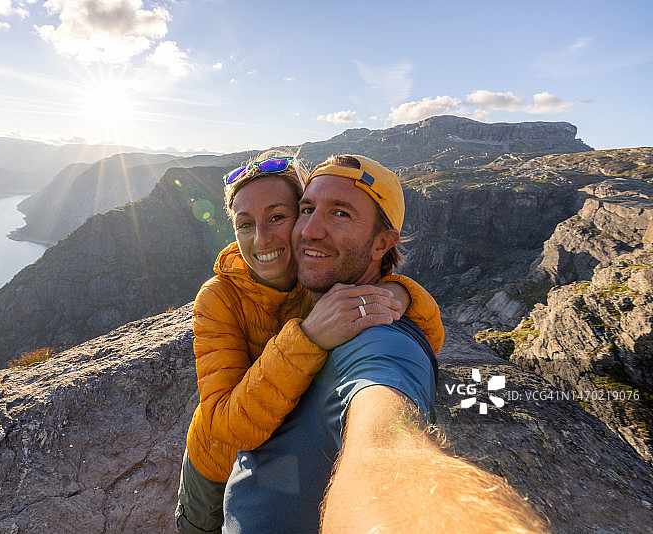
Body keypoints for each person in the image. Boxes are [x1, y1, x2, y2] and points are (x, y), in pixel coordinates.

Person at [222, 155, 547, 533]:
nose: (309, 230)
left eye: (340, 214)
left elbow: (386, 439)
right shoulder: (304, 301)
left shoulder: (380, 340)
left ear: (382, 243)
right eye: (307, 209)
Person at [175, 154, 445, 534]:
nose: (261, 238)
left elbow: (431, 333)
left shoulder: (318, 272)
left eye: (277, 217)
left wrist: (396, 293)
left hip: (276, 456)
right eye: (245, 224)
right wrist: (308, 337)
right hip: (215, 462)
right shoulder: (219, 297)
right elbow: (226, 427)